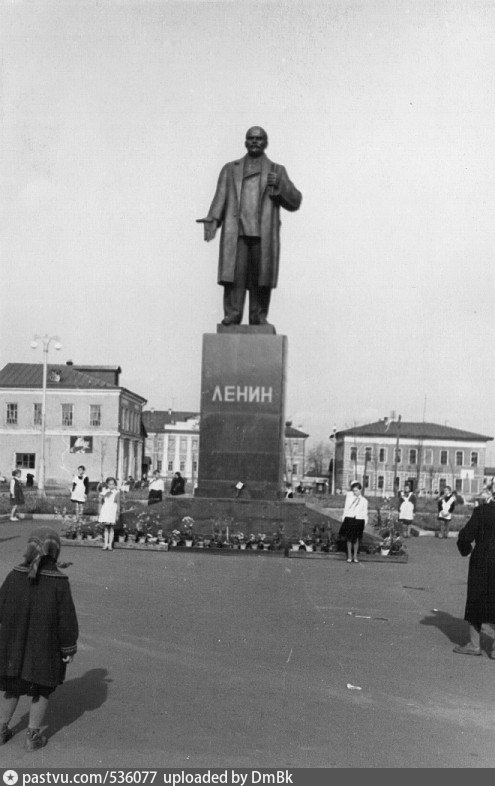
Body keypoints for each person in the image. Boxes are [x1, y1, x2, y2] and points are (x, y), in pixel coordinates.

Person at [197, 126, 302, 327]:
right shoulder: (230, 169)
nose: (255, 142)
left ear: (266, 143)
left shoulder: (276, 170)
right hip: (236, 233)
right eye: (251, 138)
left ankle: (258, 316)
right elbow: (220, 197)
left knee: (260, 278)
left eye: (259, 138)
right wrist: (213, 219)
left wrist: (281, 185)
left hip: (263, 233)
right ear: (245, 142)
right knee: (234, 277)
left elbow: (296, 201)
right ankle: (233, 315)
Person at [0, 527, 78, 751]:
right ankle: (32, 737)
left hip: (13, 648)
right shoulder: (58, 581)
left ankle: (2, 729)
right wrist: (67, 649)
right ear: (55, 552)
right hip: (45, 648)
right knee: (42, 688)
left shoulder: (14, 574)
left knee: (12, 688)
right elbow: (67, 621)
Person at [454, 491, 495, 657]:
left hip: (482, 561)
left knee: (476, 600)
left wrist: (466, 550)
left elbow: (465, 536)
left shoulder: (482, 511)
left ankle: (474, 644)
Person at [339, 481, 368, 563]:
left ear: (360, 490)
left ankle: (355, 556)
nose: (355, 492)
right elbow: (346, 508)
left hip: (359, 520)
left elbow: (365, 512)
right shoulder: (349, 498)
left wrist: (364, 522)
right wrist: (344, 518)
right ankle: (349, 555)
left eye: (356, 490)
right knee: (349, 538)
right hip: (350, 519)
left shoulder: (364, 501)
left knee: (356, 539)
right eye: (354, 491)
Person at [98, 477, 120, 551]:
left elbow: (118, 503)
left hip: (112, 511)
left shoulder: (116, 492)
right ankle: (105, 544)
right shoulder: (104, 492)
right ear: (107, 485)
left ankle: (110, 544)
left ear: (115, 485)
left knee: (111, 528)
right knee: (106, 528)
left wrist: (117, 513)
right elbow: (101, 501)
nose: (111, 486)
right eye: (110, 484)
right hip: (106, 510)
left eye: (113, 484)